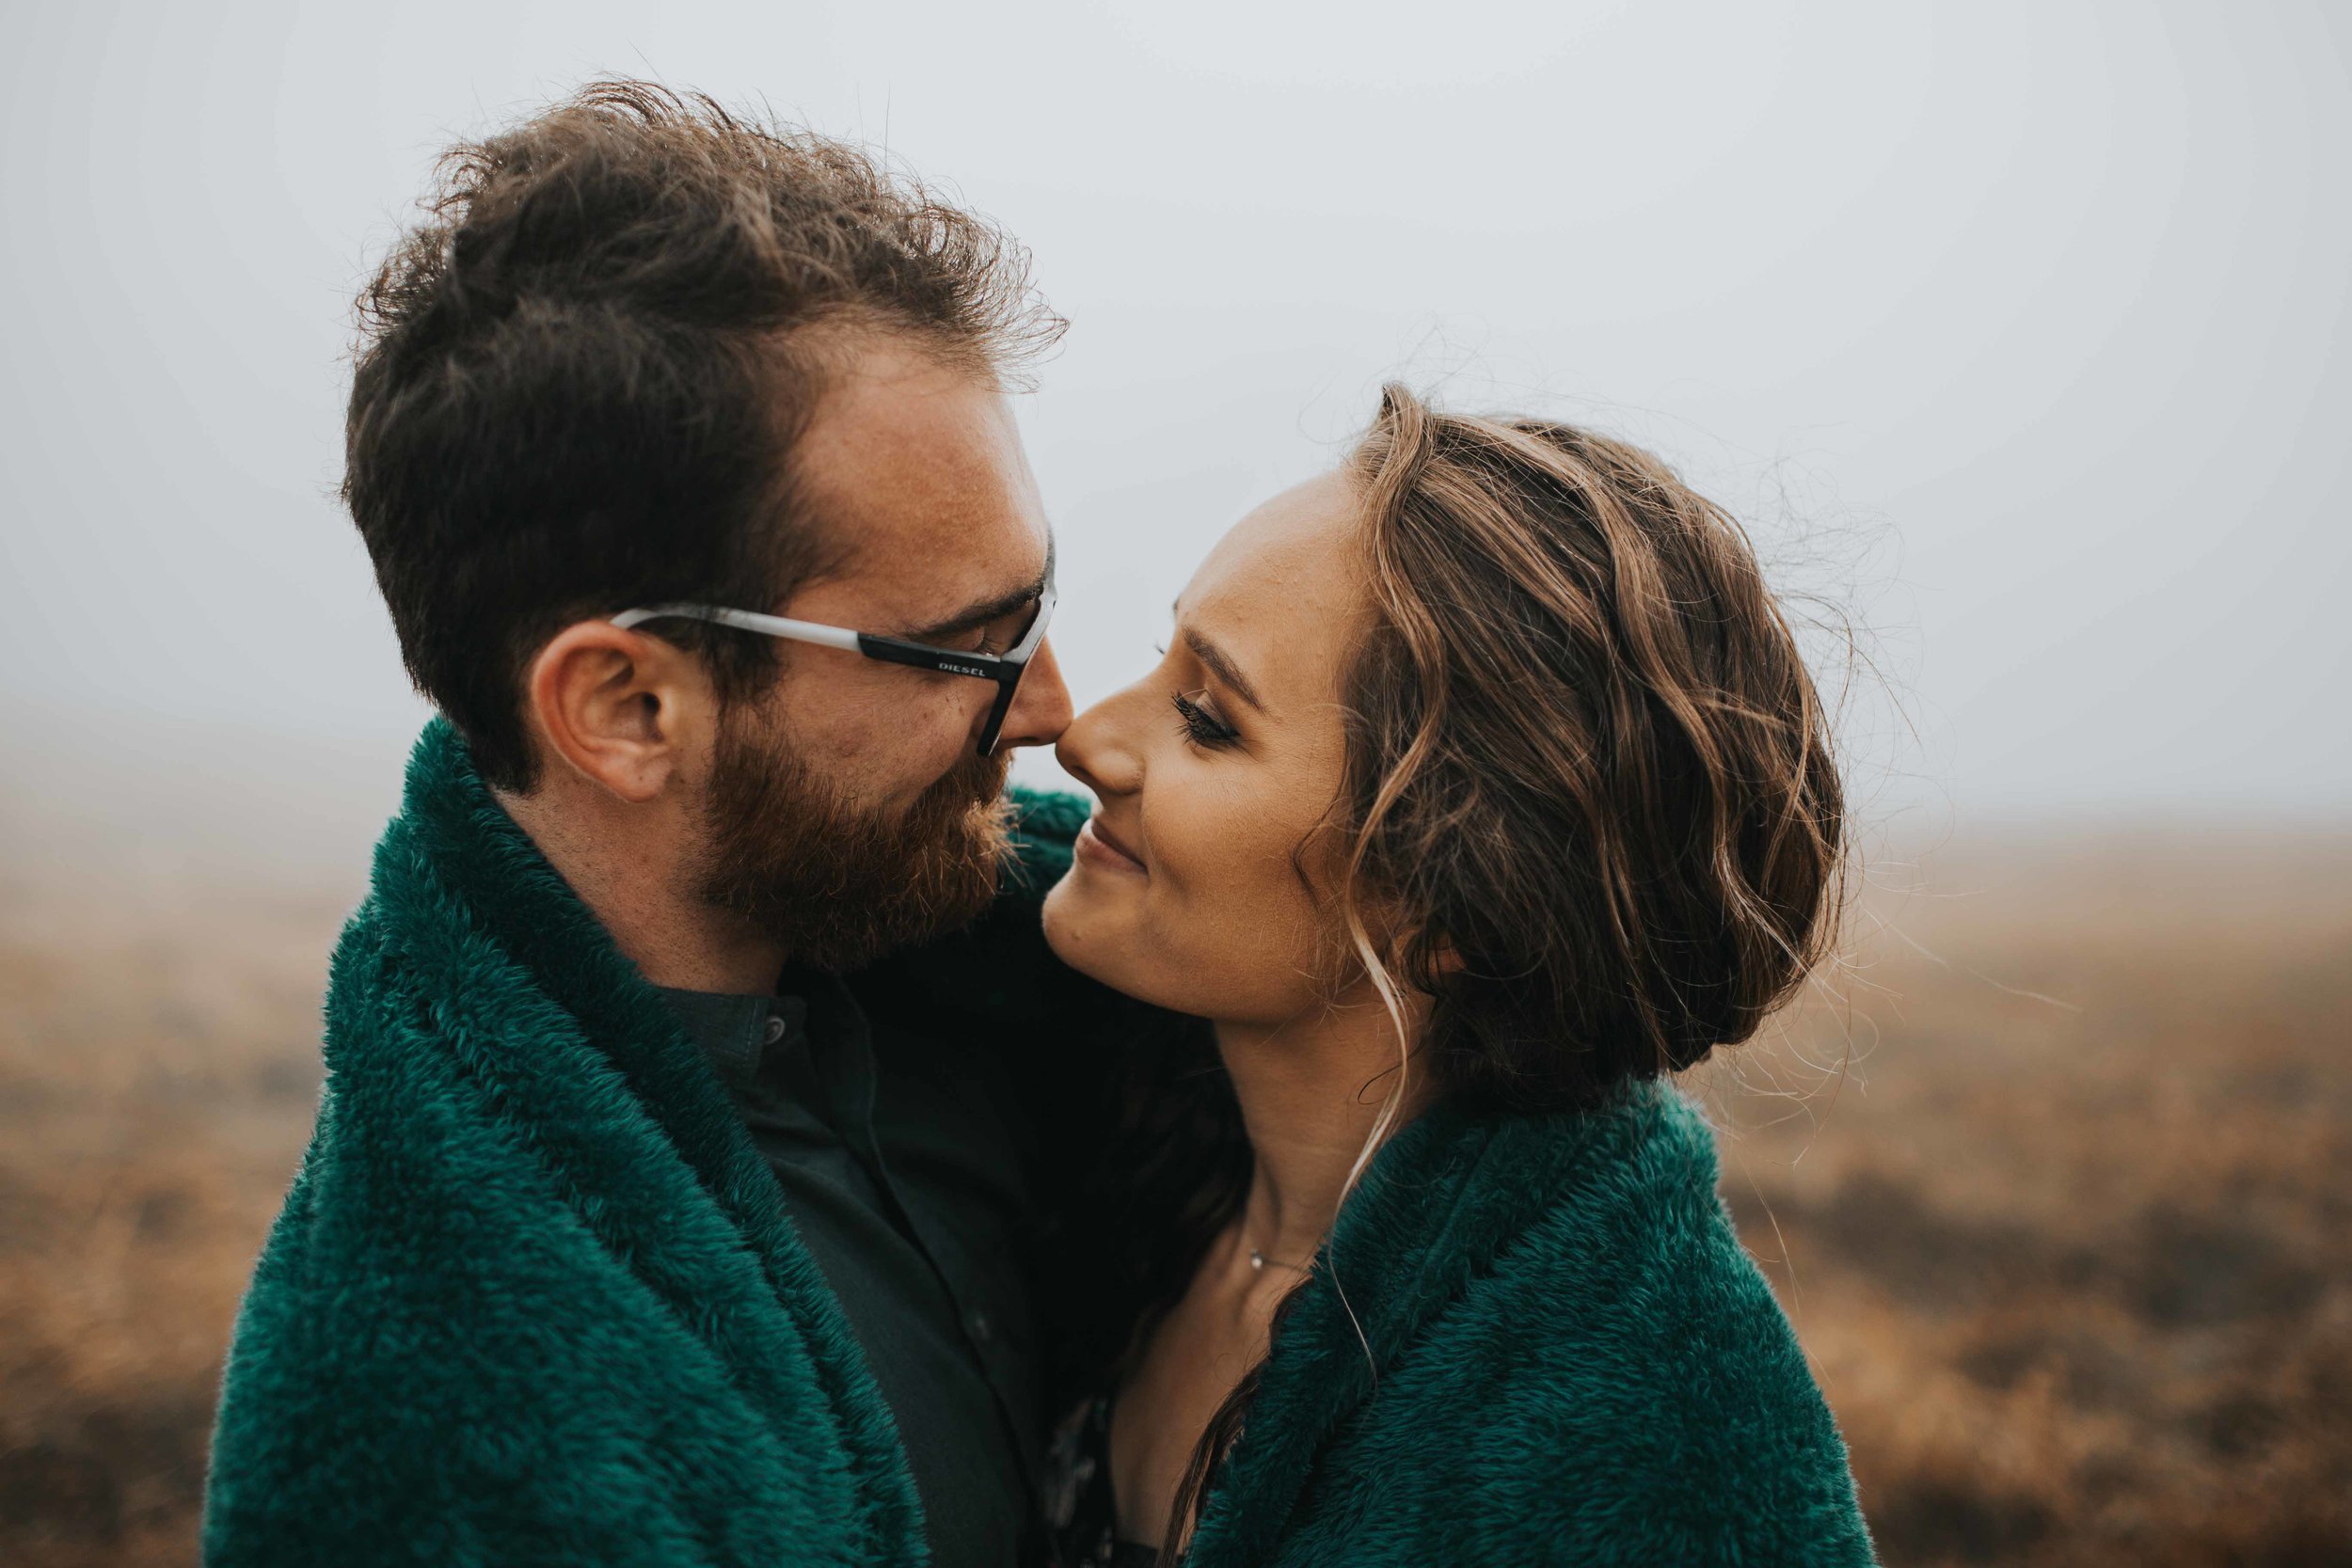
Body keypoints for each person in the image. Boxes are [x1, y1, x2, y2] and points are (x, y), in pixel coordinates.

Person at [203, 81, 1152, 1568]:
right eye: (968, 643)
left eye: (1036, 604)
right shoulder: (459, 1445)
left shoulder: (974, 969)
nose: (1053, 711)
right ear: (629, 708)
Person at [1036, 386, 1880, 1566]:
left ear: (1452, 906)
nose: (1082, 737)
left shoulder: (1647, 1439)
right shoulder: (1108, 1147)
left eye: (1206, 718)